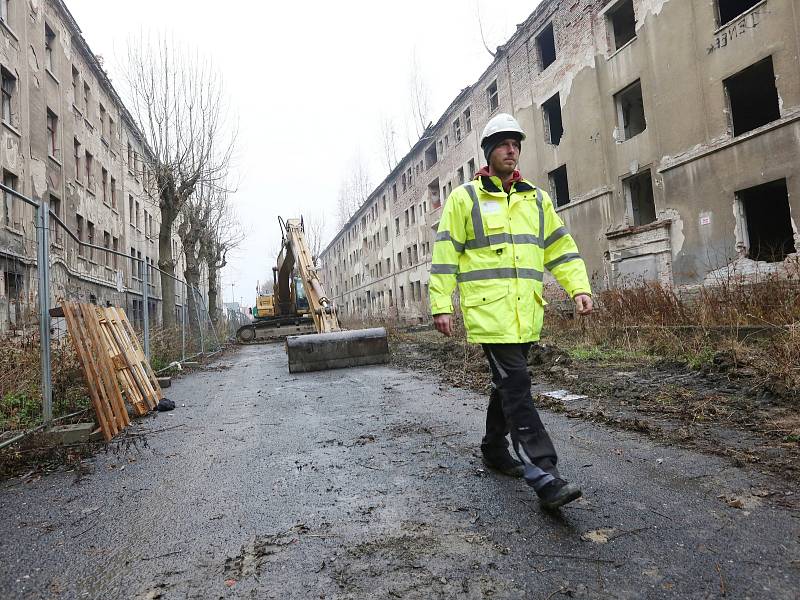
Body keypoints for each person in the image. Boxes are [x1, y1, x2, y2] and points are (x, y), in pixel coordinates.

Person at [429, 113, 593, 510]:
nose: (511, 150)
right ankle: (545, 474)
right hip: (489, 316)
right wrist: (440, 304)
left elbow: (560, 247)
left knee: (508, 385)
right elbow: (446, 253)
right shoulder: (465, 198)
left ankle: (492, 448)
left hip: (525, 314)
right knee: (518, 389)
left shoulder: (535, 198)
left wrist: (578, 288)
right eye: (503, 143)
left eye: (516, 144)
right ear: (489, 151)